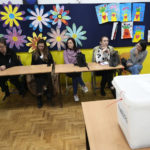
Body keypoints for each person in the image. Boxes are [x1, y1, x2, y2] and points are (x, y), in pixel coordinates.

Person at [63, 37, 88, 102]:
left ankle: (75, 94)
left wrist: (76, 65)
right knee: (76, 75)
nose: (69, 44)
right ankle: (83, 85)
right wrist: (72, 67)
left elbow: (80, 60)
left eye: (70, 43)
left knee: (75, 76)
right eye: (68, 43)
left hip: (77, 70)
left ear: (74, 43)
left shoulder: (78, 51)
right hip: (69, 70)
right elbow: (66, 62)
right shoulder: (65, 51)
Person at [32, 39, 54, 108]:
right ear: (37, 46)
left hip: (46, 72)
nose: (41, 48)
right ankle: (39, 99)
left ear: (44, 46)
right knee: (39, 80)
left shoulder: (47, 53)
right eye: (39, 46)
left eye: (42, 46)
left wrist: (48, 65)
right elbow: (32, 64)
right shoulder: (34, 54)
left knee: (47, 79)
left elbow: (51, 62)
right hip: (38, 73)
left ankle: (48, 96)